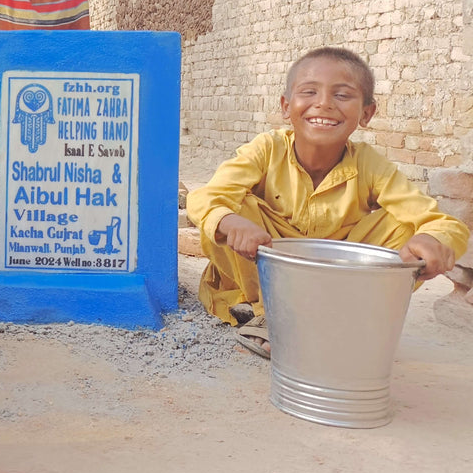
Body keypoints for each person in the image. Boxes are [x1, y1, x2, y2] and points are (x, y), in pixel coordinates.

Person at [186, 46, 469, 357]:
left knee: (407, 227)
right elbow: (205, 198)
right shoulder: (267, 149)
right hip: (263, 282)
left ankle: (330, 318)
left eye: (342, 95)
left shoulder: (369, 164)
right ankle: (273, 317)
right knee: (228, 211)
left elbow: (442, 222)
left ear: (366, 113)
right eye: (309, 92)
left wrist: (435, 240)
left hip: (333, 287)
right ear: (285, 106)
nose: (323, 104)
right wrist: (231, 221)